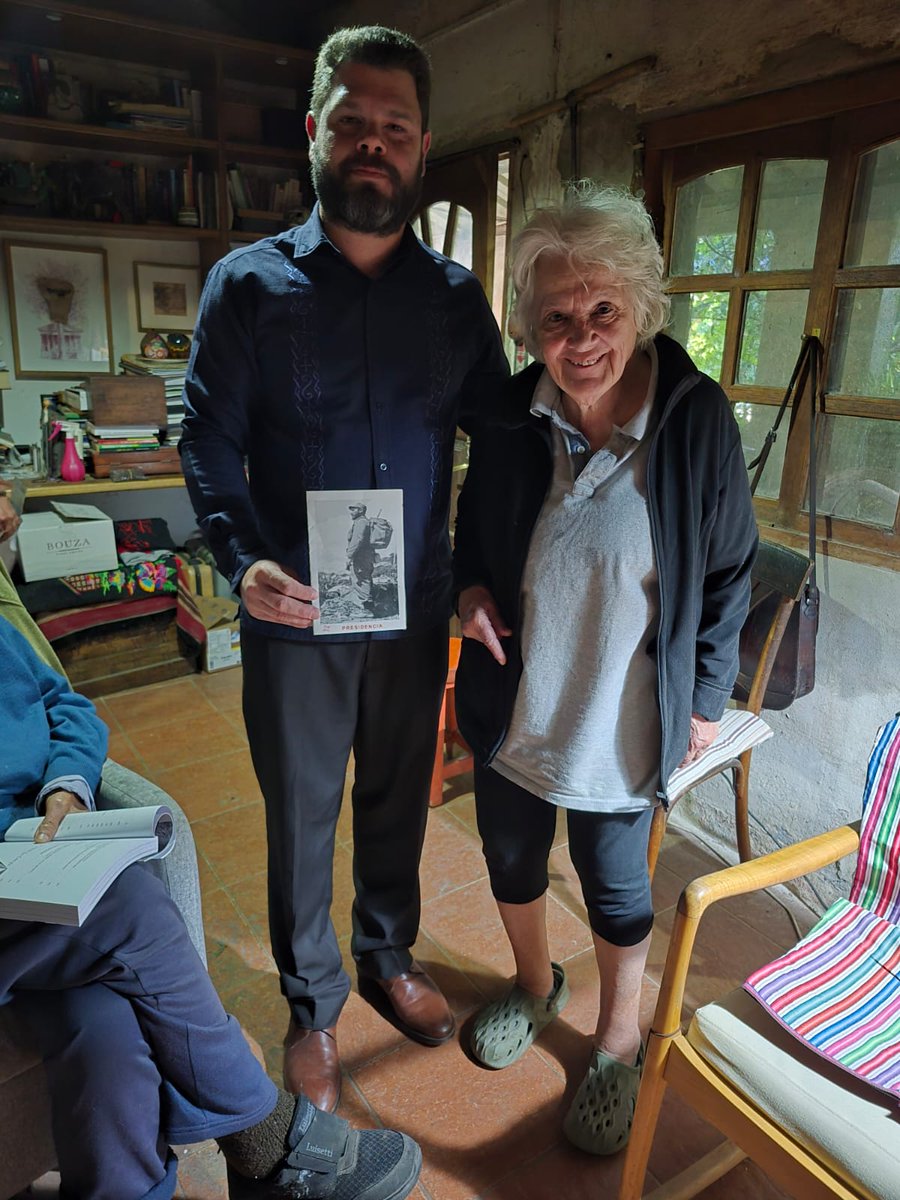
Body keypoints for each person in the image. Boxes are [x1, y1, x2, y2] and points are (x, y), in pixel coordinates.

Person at [180, 25, 508, 1111]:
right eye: (354, 122)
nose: (375, 144)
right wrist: (242, 560)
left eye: (397, 129)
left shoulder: (458, 303)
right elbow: (207, 438)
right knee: (300, 814)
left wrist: (471, 574)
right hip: (296, 615)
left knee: (396, 804)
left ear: (422, 148)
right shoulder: (247, 287)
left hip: (412, 612)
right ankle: (312, 1009)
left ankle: (389, 953)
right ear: (315, 128)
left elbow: (503, 446)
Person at [452, 183, 758, 1155]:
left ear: (638, 305)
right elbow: (468, 542)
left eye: (602, 312)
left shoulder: (695, 418)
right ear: (529, 324)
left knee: (616, 883)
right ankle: (535, 985)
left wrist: (707, 697)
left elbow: (729, 571)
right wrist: (467, 597)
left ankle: (619, 1037)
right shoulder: (507, 414)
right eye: (556, 317)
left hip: (621, 717)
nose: (580, 337)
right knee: (509, 860)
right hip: (517, 703)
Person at [0, 614, 422, 1200]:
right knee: (131, 902)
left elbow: (64, 705)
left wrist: (66, 784)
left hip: (35, 857)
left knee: (104, 1025)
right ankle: (266, 1139)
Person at [346, 502, 375, 605]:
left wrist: (349, 555)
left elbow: (357, 540)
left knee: (361, 579)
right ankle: (367, 605)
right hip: (365, 557)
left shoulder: (361, 522)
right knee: (364, 578)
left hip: (360, 557)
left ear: (361, 511)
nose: (351, 512)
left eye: (354, 510)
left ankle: (365, 608)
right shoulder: (362, 522)